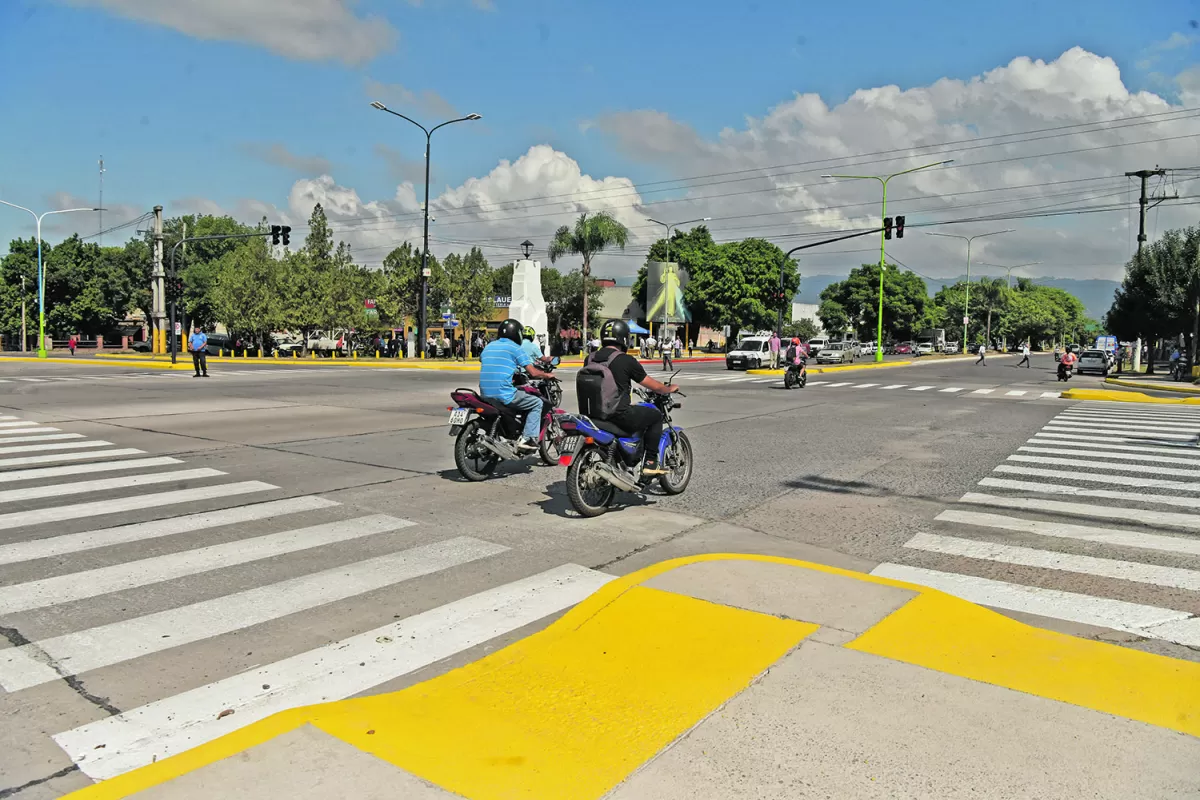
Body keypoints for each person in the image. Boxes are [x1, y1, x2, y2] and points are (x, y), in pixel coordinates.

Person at [577, 319, 681, 475]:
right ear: (624, 338)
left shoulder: (590, 358)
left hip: (592, 414)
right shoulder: (626, 360)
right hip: (618, 415)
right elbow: (653, 385)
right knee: (655, 416)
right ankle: (650, 463)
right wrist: (668, 388)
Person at [479, 319, 553, 452]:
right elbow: (533, 372)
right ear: (516, 333)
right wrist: (547, 375)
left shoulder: (489, 346)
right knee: (536, 403)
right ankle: (528, 438)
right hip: (503, 393)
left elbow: (490, 362)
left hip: (484, 393)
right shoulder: (515, 348)